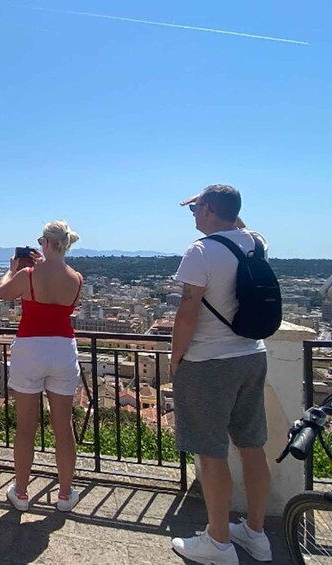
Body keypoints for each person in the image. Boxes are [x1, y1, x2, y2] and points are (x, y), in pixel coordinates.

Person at [170, 184, 272, 565]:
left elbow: (187, 312)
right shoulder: (255, 243)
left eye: (196, 207)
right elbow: (238, 226)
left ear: (209, 209)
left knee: (212, 453)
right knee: (251, 446)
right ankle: (257, 536)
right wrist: (221, 204)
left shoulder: (201, 252)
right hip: (252, 354)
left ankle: (218, 542)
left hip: (210, 362)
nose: (193, 214)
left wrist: (176, 358)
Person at [0, 220, 83, 513]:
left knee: (26, 426)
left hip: (30, 347)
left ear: (45, 243)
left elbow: (3, 292)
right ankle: (65, 494)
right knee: (63, 425)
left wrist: (12, 269)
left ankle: (20, 493)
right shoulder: (77, 278)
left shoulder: (28, 275)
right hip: (63, 348)